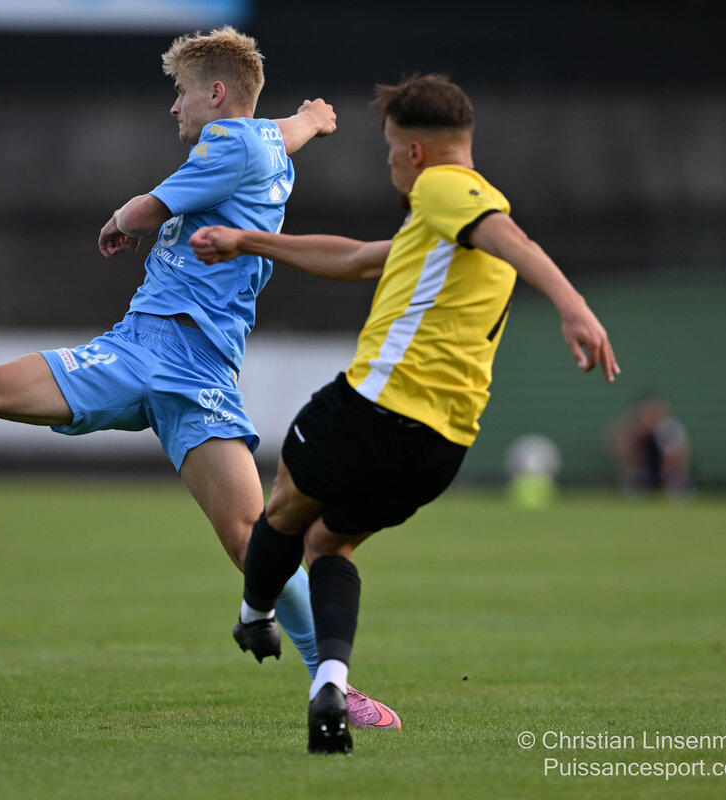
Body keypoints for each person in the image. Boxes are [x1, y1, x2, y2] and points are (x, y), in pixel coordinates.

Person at [0, 26, 398, 726]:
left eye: (181, 93)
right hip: (168, 359)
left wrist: (119, 220)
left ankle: (332, 685)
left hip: (171, 359)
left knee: (249, 536)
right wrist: (312, 118)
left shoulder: (228, 144)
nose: (173, 107)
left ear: (216, 94)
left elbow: (149, 207)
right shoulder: (266, 142)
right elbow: (285, 131)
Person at [190, 73, 620, 754]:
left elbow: (514, 239)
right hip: (441, 446)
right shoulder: (446, 235)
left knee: (283, 508)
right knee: (330, 544)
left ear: (414, 151)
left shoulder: (447, 189)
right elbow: (357, 259)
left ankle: (255, 611)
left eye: (391, 149)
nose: (389, 163)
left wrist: (574, 307)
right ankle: (330, 682)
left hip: (372, 407)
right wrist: (249, 241)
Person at [610, 393, 692, 499]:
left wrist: (666, 479)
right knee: (635, 491)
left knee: (676, 491)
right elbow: (618, 447)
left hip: (669, 474)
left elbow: (675, 460)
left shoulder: (669, 429)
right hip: (647, 472)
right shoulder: (636, 431)